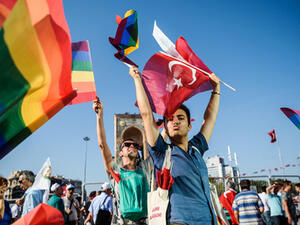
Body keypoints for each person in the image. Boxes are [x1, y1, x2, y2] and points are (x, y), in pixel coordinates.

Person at [129, 66, 220, 225]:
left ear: (189, 125)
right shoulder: (162, 152)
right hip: (179, 221)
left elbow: (210, 118)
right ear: (165, 126)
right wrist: (137, 80)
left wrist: (216, 89)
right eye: (170, 119)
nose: (175, 121)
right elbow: (146, 115)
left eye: (180, 118)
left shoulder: (197, 148)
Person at [92, 97, 151, 225]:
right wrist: (99, 116)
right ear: (120, 153)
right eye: (127, 144)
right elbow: (102, 145)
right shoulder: (115, 170)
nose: (132, 147)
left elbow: (156, 143)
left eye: (135, 146)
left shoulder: (146, 168)